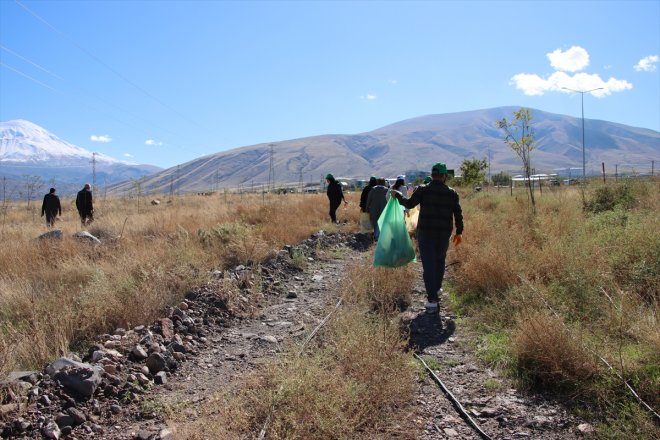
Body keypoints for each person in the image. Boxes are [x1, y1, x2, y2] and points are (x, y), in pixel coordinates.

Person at [392, 163, 463, 314]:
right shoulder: (452, 193)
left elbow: (409, 203)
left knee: (429, 265)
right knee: (439, 261)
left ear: (432, 175)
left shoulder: (423, 190)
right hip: (444, 234)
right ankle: (436, 290)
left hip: (425, 234)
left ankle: (432, 299)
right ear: (444, 176)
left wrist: (398, 196)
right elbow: (458, 214)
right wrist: (459, 232)